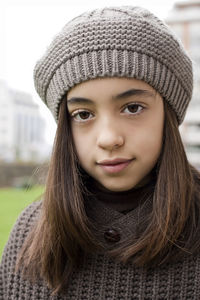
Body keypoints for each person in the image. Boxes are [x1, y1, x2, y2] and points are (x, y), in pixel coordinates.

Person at [1, 5, 200, 300]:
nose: (109, 138)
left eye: (133, 108)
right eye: (83, 114)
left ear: (168, 116)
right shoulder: (29, 234)